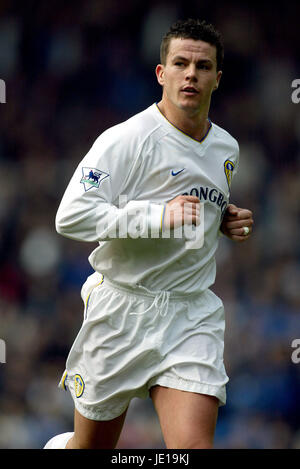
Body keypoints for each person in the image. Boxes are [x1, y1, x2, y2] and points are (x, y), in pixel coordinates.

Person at [44, 18, 253, 450]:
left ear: (217, 78)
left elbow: (196, 202)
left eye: (202, 66)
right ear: (162, 73)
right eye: (180, 63)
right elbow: (71, 215)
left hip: (190, 315)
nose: (191, 74)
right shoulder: (125, 139)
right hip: (121, 309)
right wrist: (157, 217)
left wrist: (223, 218)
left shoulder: (227, 148)